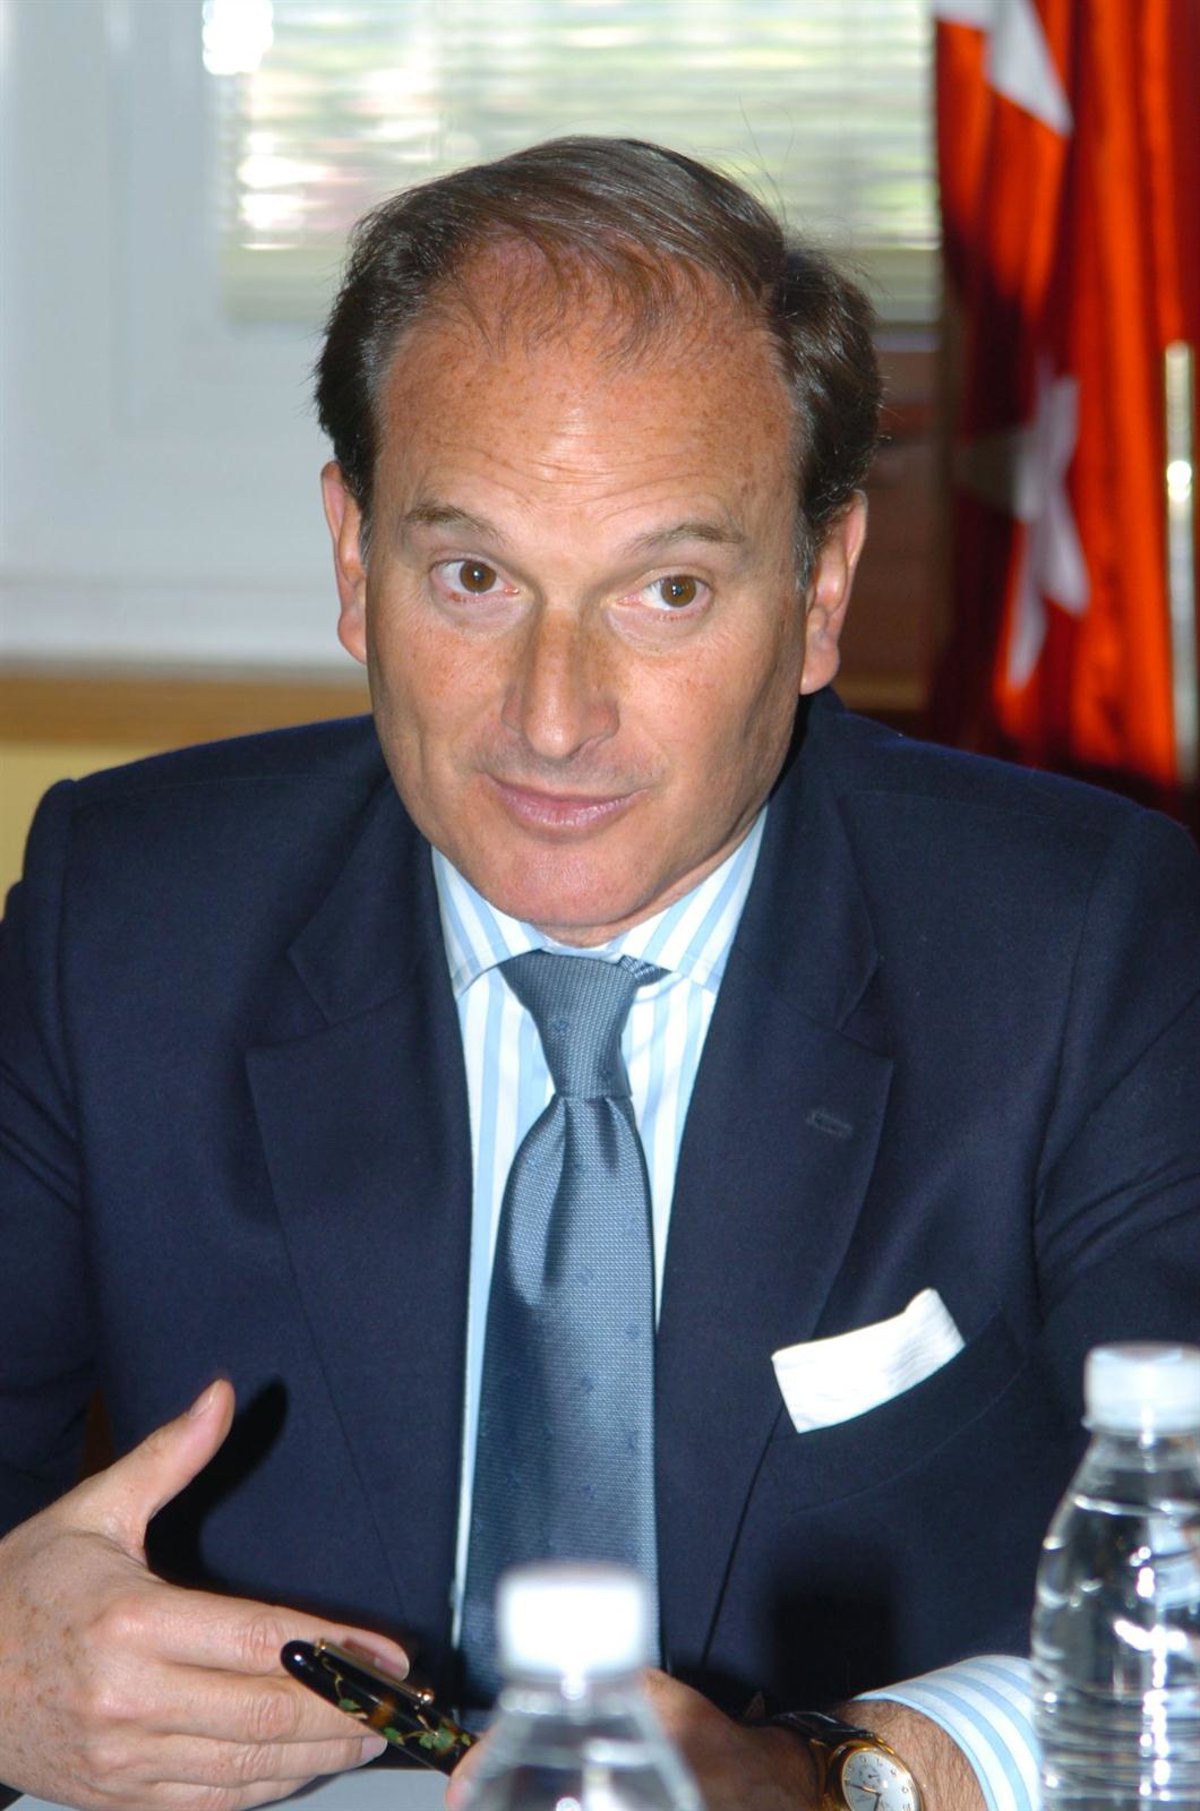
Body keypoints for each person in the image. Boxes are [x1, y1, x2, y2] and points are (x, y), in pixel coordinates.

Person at [1, 136, 1198, 1811]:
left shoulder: (1079, 941)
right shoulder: (126, 916)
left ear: (822, 590)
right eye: (474, 578)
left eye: (668, 591)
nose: (553, 718)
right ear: (353, 556)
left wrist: (848, 1776)